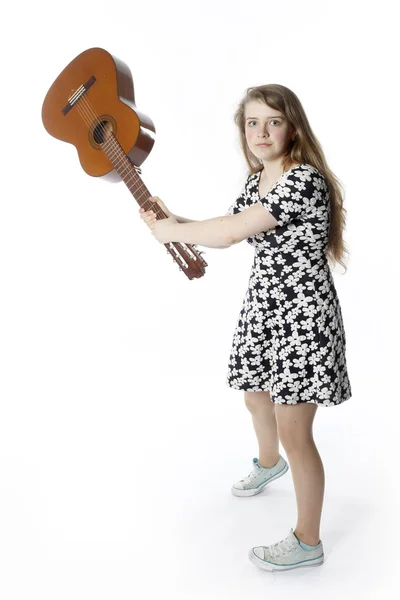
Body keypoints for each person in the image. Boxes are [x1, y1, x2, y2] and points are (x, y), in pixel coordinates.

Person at [139, 84, 352, 572]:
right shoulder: (257, 182)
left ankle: (307, 540)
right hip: (263, 310)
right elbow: (232, 227)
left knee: (295, 431)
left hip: (301, 318)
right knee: (256, 396)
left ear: (292, 126)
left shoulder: (303, 181)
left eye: (273, 121)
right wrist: (172, 219)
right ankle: (268, 463)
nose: (261, 131)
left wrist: (174, 232)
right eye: (252, 122)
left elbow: (231, 231)